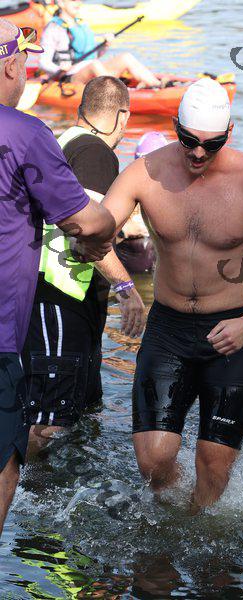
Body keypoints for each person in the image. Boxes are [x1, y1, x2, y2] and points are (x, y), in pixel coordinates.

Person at [101, 77, 243, 513]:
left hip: (234, 333)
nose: (199, 153)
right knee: (153, 462)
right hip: (168, 328)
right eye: (189, 141)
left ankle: (199, 531)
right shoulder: (146, 173)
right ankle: (174, 524)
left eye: (212, 144)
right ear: (175, 126)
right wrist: (125, 286)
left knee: (213, 466)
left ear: (229, 134)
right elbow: (97, 235)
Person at [0, 19, 115, 535]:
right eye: (25, 59)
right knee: (7, 460)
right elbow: (85, 221)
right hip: (3, 336)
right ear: (10, 66)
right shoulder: (25, 133)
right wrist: (102, 237)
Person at [22, 76, 146, 454]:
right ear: (123, 116)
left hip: (49, 296)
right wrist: (126, 288)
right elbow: (87, 234)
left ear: (80, 109)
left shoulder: (64, 141)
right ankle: (22, 485)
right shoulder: (96, 152)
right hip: (63, 297)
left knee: (81, 411)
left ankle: (63, 483)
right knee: (50, 421)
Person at [39, 0, 162, 87]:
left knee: (126, 57)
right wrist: (59, 68)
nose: (78, 3)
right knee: (95, 65)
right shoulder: (54, 28)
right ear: (61, 2)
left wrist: (105, 46)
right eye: (73, 0)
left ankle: (157, 85)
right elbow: (43, 61)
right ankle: (117, 93)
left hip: (92, 70)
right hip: (70, 76)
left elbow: (93, 55)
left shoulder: (81, 24)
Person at [115, 132, 169, 275]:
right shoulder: (125, 189)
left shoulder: (177, 191)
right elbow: (104, 230)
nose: (150, 172)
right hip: (133, 266)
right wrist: (126, 231)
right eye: (146, 165)